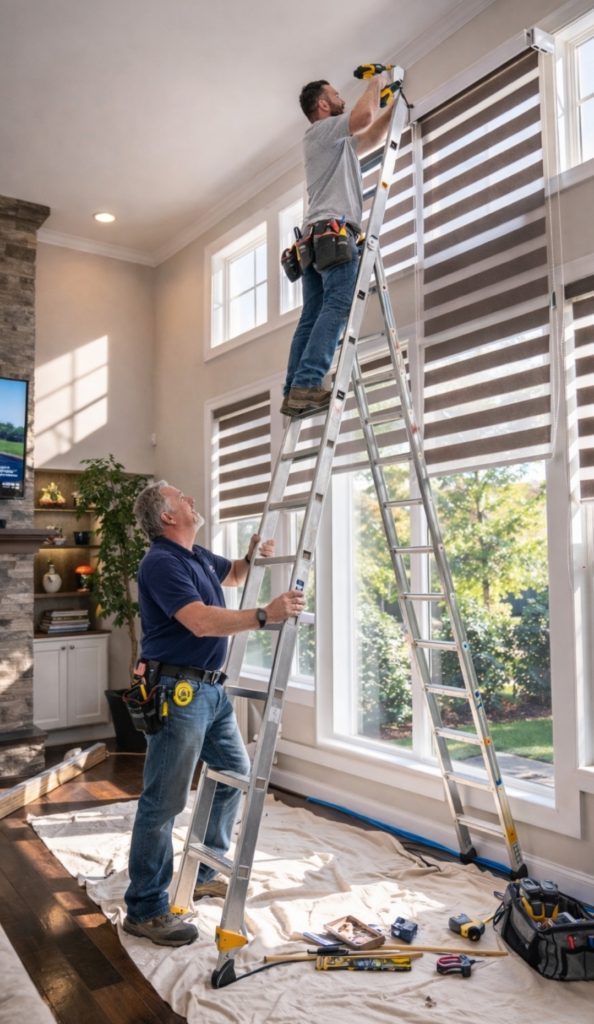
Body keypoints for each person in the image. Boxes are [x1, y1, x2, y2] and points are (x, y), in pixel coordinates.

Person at [123, 480, 305, 946]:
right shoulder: (161, 562)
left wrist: (250, 556)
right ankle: (145, 908)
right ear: (167, 516)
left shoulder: (197, 555)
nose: (190, 499)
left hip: (209, 689)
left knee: (233, 771)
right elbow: (201, 621)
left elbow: (236, 576)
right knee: (163, 801)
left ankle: (204, 869)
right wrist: (265, 615)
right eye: (181, 496)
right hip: (177, 690)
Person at [281, 75, 396, 418]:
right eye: (335, 94)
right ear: (323, 104)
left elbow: (372, 133)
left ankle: (295, 390)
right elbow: (362, 118)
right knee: (339, 305)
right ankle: (310, 380)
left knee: (313, 315)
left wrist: (394, 107)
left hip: (316, 238)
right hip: (333, 233)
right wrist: (377, 81)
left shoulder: (337, 144)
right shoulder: (321, 131)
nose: (341, 97)